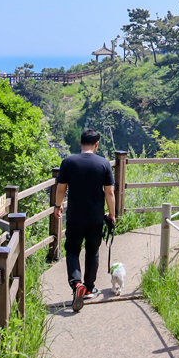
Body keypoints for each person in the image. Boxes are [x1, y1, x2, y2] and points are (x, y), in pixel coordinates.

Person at [54, 129, 116, 312]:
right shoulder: (104, 164)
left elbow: (60, 189)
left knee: (72, 251)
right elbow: (110, 192)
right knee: (92, 251)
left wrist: (58, 207)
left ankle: (76, 285)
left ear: (80, 143)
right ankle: (88, 288)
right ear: (96, 145)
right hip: (96, 217)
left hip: (74, 217)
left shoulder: (68, 162)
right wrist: (112, 214)